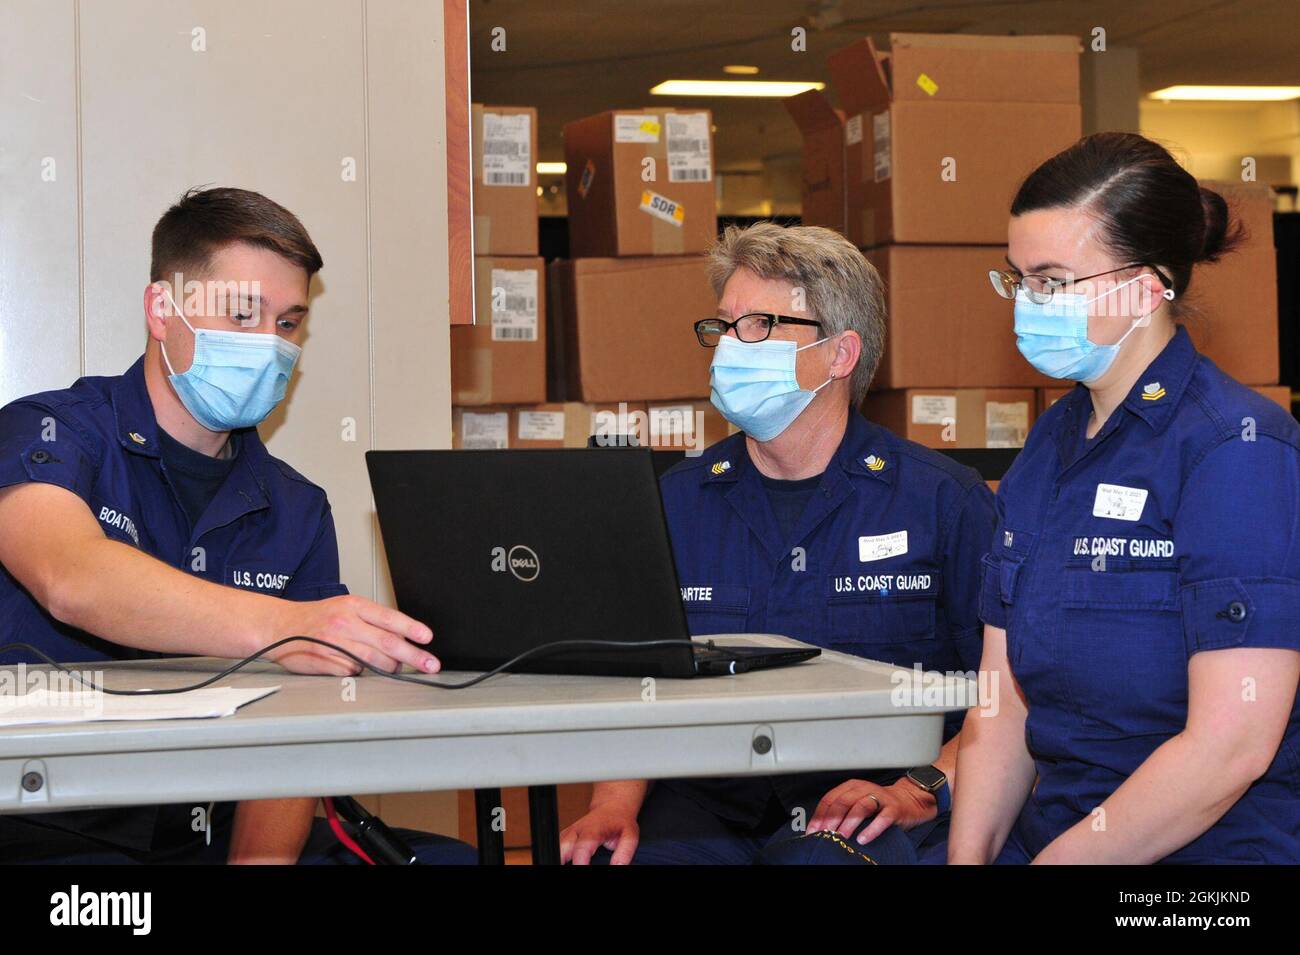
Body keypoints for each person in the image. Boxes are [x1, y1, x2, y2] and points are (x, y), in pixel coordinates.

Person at [0, 187, 475, 865]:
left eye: (288, 323)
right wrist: (284, 626)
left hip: (213, 836)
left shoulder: (296, 508)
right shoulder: (50, 432)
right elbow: (71, 578)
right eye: (242, 314)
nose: (269, 345)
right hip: (49, 830)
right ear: (162, 309)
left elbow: (299, 728)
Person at [560, 223, 996, 865]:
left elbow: (1005, 692)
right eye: (723, 325)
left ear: (840, 355)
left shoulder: (942, 502)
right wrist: (613, 806)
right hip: (707, 802)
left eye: (759, 325)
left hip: (870, 799)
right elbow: (639, 683)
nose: (730, 348)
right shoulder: (676, 503)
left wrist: (919, 790)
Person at [949, 132, 1300, 864]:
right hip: (1057, 836)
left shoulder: (1236, 450)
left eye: (1051, 279)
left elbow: (1231, 745)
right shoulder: (1049, 448)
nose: (1028, 302)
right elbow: (1003, 705)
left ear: (1146, 288)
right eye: (1017, 279)